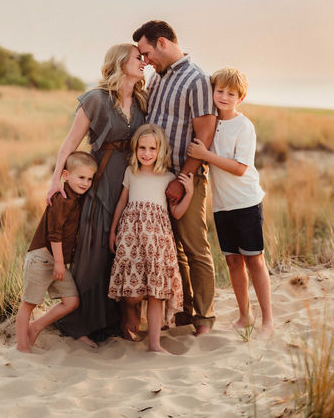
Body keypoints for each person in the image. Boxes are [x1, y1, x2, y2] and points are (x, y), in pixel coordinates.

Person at [46, 44, 146, 346]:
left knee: (121, 255)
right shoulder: (96, 99)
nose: (144, 63)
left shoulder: (142, 100)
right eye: (137, 58)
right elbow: (69, 145)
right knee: (94, 254)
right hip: (101, 182)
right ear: (120, 63)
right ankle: (83, 326)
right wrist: (55, 181)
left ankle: (114, 322)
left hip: (131, 185)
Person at [132, 20, 217, 335]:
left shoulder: (197, 79)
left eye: (146, 52)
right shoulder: (157, 79)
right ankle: (185, 313)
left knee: (195, 248)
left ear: (163, 43)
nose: (145, 60)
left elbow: (205, 131)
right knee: (173, 250)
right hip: (156, 180)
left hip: (185, 177)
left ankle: (205, 319)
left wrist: (184, 178)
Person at [188, 67, 274, 338]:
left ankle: (268, 322)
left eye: (231, 93)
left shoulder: (243, 126)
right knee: (233, 262)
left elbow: (239, 168)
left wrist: (205, 154)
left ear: (241, 97)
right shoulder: (209, 122)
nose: (224, 96)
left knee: (254, 260)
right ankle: (244, 315)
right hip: (222, 205)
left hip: (246, 202)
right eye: (220, 91)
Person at [108, 124, 194, 352]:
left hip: (158, 240)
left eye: (152, 149)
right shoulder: (131, 172)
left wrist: (190, 194)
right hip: (131, 236)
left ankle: (154, 344)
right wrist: (113, 230)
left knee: (156, 292)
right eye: (142, 148)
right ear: (135, 148)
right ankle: (129, 310)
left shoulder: (168, 177)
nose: (146, 153)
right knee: (134, 293)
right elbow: (121, 203)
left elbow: (175, 213)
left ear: (161, 150)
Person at [16, 151, 97, 353]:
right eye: (81, 177)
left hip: (56, 259)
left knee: (71, 301)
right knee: (29, 303)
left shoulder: (77, 199)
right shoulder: (61, 198)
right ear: (65, 175)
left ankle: (36, 327)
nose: (85, 183)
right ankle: (22, 347)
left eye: (89, 178)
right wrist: (60, 263)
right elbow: (54, 234)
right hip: (42, 258)